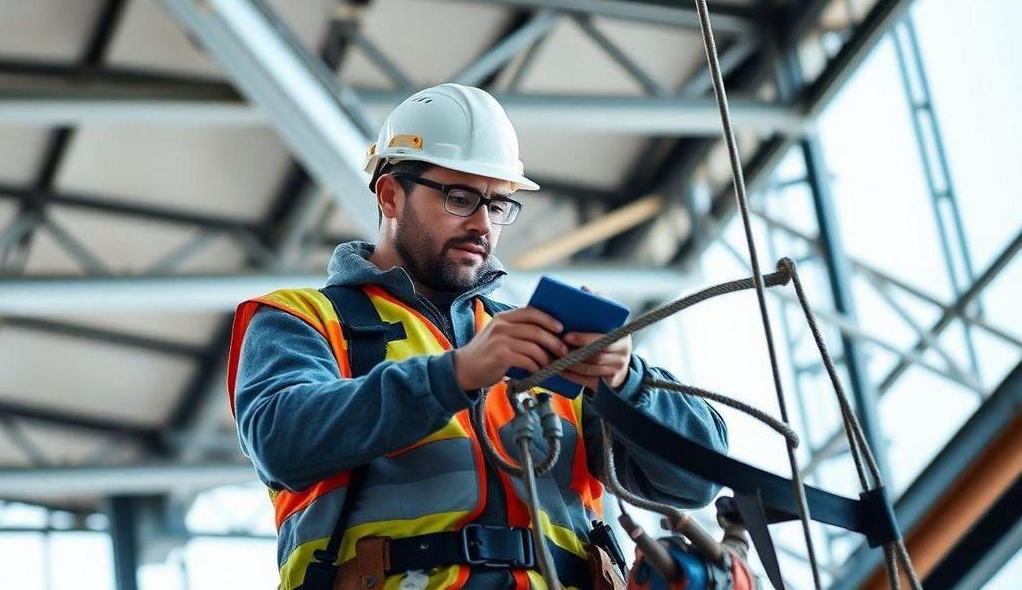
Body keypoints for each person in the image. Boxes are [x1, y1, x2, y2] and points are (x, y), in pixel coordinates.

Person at [228, 83, 728, 589]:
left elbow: (697, 478)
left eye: (499, 205)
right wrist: (456, 374)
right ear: (390, 195)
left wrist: (627, 382)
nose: (482, 224)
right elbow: (282, 440)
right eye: (460, 198)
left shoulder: (541, 342)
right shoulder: (302, 319)